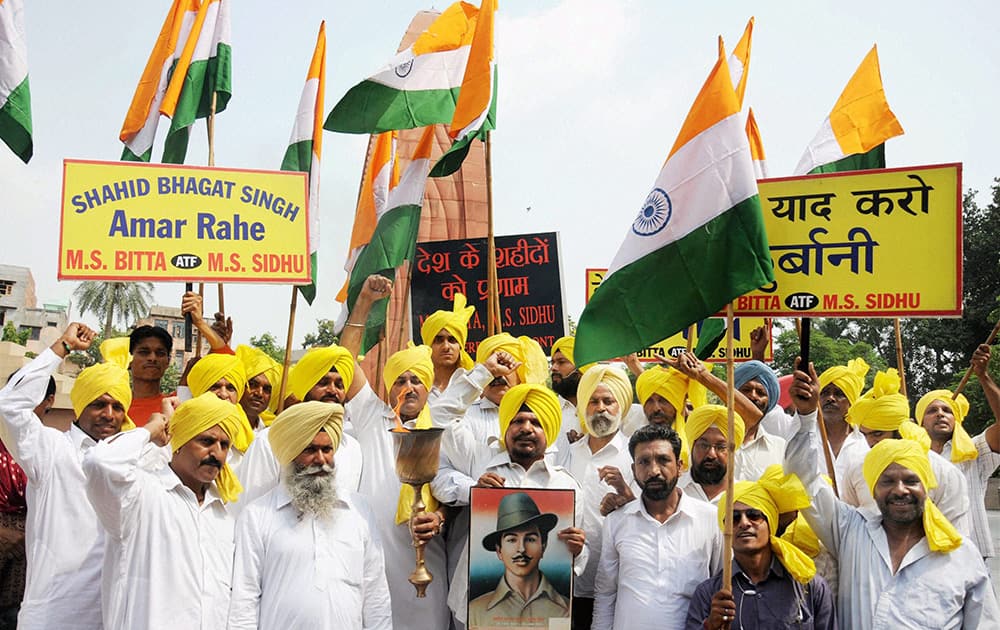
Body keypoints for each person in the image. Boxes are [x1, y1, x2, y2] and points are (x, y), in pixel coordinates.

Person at [784, 365, 999, 629]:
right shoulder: (850, 530)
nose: (900, 490)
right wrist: (806, 414)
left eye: (911, 481)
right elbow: (802, 478)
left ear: (928, 486)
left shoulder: (961, 554)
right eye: (887, 481)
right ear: (872, 488)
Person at [0, 323, 134, 629]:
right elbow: (9, 404)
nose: (109, 414)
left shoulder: (132, 461)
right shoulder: (49, 450)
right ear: (79, 406)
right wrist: (62, 347)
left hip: (112, 615)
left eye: (117, 406)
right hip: (53, 614)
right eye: (99, 404)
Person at [338, 275, 454, 630]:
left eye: (415, 380)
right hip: (371, 563)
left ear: (427, 385)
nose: (408, 387)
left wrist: (439, 520)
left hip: (426, 568)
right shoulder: (373, 417)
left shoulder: (445, 426)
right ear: (389, 388)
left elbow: (454, 490)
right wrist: (364, 303)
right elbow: (344, 358)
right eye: (400, 380)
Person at [83, 392, 250, 629]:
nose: (217, 453)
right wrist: (152, 429)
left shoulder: (225, 514)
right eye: (206, 441)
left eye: (224, 445)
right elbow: (99, 461)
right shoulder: (141, 494)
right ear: (178, 443)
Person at [434, 381, 587, 628]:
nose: (526, 428)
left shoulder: (566, 485)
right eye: (517, 421)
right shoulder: (480, 459)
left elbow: (577, 558)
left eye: (536, 423)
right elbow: (440, 415)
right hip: (476, 614)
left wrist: (579, 550)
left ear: (549, 430)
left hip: (544, 620)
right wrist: (471, 490)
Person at [227, 401, 392, 629]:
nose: (321, 460)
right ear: (291, 454)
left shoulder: (359, 510)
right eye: (310, 450)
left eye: (327, 450)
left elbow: (376, 594)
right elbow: (244, 600)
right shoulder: (257, 516)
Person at [593, 424, 723, 630]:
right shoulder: (617, 521)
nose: (653, 471)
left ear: (679, 466)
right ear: (634, 469)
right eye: (644, 462)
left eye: (663, 460)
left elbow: (720, 585)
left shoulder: (711, 519)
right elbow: (605, 593)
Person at [686, 466, 836, 630]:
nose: (744, 523)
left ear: (770, 523)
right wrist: (710, 626)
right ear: (725, 528)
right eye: (734, 518)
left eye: (754, 515)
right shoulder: (710, 594)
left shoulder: (809, 587)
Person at [838, 368, 971, 535]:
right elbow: (849, 524)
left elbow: (956, 535)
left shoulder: (944, 472)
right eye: (864, 435)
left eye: (878, 434)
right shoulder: (858, 467)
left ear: (900, 430)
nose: (870, 442)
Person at [237, 343, 363, 505]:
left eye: (339, 385)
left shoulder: (353, 448)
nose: (333, 390)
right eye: (323, 382)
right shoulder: (269, 441)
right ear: (305, 388)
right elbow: (249, 507)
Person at [567, 365, 636, 629]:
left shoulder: (634, 456)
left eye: (609, 401)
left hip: (615, 581)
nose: (601, 408)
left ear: (621, 407)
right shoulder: (566, 452)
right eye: (593, 401)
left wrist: (627, 496)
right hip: (567, 579)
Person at [917, 343, 1000, 559]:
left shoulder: (974, 453)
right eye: (932, 410)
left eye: (947, 410)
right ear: (920, 422)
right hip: (924, 554)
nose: (941, 414)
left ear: (956, 420)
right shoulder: (911, 457)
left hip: (970, 554)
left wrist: (983, 377)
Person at [468, 491, 570, 627]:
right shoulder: (476, 610)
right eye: (511, 540)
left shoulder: (565, 609)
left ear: (543, 547)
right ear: (499, 551)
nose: (521, 549)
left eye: (530, 539)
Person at [679, 404, 746, 504]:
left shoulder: (743, 496)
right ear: (692, 446)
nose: (711, 454)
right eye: (704, 445)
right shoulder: (675, 491)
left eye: (721, 447)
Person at [420, 292, 476, 396]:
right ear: (428, 346)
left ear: (460, 346)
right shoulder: (418, 387)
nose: (446, 347)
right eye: (438, 340)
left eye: (452, 340)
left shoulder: (474, 384)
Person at [126, 324, 173, 426]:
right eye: (144, 352)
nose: (152, 358)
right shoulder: (112, 407)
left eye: (160, 353)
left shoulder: (174, 403)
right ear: (129, 359)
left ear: (168, 361)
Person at [234, 344, 282, 432]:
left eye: (267, 389)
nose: (259, 393)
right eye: (253, 385)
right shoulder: (224, 426)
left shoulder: (271, 433)